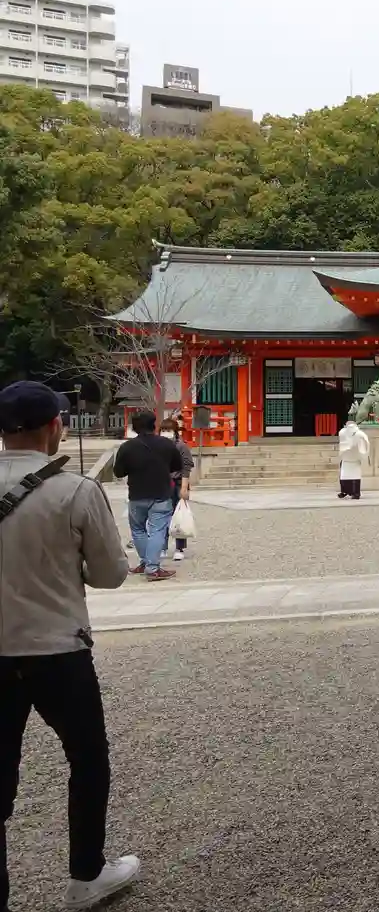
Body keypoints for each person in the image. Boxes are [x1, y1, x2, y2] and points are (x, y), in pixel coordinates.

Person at [0, 381, 141, 909]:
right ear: (55, 426)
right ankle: (86, 874)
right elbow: (110, 575)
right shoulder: (75, 490)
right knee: (86, 759)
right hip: (58, 647)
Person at [112, 411, 181, 580]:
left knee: (138, 529)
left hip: (137, 494)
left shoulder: (127, 447)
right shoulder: (166, 444)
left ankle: (145, 562)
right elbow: (176, 466)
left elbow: (118, 472)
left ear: (134, 428)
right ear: (154, 425)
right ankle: (152, 567)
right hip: (161, 493)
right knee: (157, 530)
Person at [161, 418, 194, 561]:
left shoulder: (181, 446)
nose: (165, 433)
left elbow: (186, 467)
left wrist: (184, 488)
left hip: (178, 482)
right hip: (162, 483)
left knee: (179, 516)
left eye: (168, 430)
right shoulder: (158, 446)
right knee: (161, 515)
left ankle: (179, 547)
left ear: (175, 431)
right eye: (163, 430)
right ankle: (162, 546)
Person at [336, 419, 370, 501]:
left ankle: (350, 492)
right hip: (353, 458)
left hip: (348, 458)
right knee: (351, 477)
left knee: (347, 477)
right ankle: (352, 493)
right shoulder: (360, 433)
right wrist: (364, 455)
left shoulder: (343, 432)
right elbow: (366, 443)